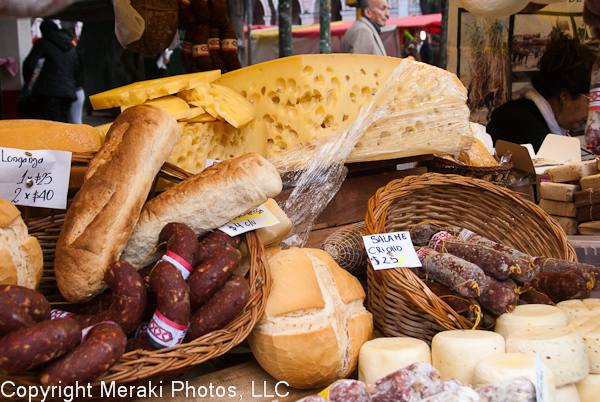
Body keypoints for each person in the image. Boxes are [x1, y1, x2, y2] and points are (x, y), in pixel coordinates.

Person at [486, 34, 599, 153]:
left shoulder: (535, 120)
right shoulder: (519, 126)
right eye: (592, 100)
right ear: (564, 97)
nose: (595, 111)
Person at [22, 19, 79, 123]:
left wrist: (29, 84)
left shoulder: (43, 43)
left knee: (53, 125)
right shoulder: (71, 47)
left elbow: (29, 64)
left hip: (49, 91)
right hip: (69, 92)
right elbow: (77, 70)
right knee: (64, 124)